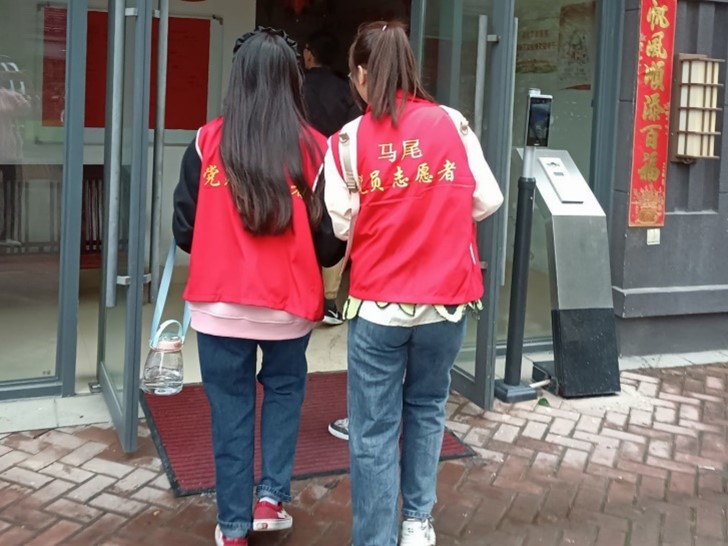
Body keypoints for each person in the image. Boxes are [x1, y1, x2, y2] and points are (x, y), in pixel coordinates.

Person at [323, 21, 504, 546]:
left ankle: (375, 537)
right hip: (445, 304)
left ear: (362, 74)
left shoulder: (348, 141)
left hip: (378, 305)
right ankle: (417, 522)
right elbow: (487, 199)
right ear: (408, 67)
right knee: (426, 409)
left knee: (373, 428)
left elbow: (341, 226)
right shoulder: (451, 122)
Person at [172, 27, 327, 546]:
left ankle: (233, 527)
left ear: (237, 79)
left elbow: (184, 229)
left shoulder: (206, 141)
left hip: (219, 304)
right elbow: (329, 242)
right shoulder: (315, 148)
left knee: (230, 410)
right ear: (292, 80)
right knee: (284, 395)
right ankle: (270, 500)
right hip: (288, 306)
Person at [302, 29, 360, 326]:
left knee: (298, 227)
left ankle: (300, 294)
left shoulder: (295, 85)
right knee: (333, 229)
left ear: (309, 54)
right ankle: (328, 301)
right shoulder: (345, 90)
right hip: (335, 165)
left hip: (298, 166)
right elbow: (353, 131)